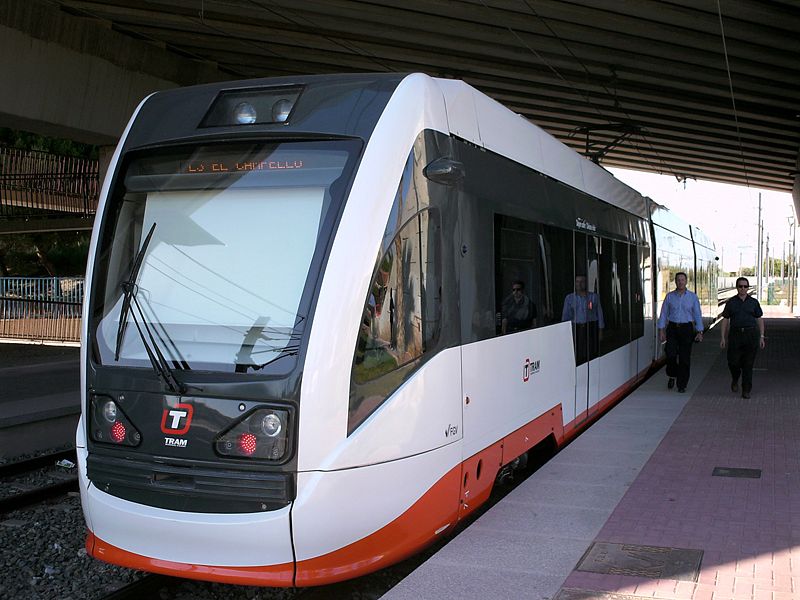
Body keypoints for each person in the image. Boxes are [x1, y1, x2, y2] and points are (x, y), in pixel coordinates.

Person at [657, 272, 704, 393]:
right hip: (672, 328)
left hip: (686, 329)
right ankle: (672, 374)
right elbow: (663, 314)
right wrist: (661, 330)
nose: (680, 282)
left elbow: (697, 314)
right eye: (678, 280)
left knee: (684, 358)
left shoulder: (692, 297)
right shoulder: (669, 297)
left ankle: (682, 384)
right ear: (675, 282)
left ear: (686, 281)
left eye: (682, 280)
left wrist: (700, 331)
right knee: (670, 354)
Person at [719, 277, 765, 399]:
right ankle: (735, 378)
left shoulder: (754, 302)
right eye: (740, 286)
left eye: (745, 286)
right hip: (735, 335)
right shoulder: (731, 302)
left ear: (748, 287)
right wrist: (723, 337)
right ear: (737, 287)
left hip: (750, 335)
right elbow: (725, 319)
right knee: (733, 362)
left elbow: (759, 319)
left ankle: (746, 390)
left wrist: (761, 336)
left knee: (748, 364)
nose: (743, 289)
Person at [562, 274, 605, 360]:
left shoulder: (594, 297)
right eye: (577, 281)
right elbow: (565, 317)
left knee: (592, 353)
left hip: (591, 328)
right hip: (576, 328)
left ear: (586, 283)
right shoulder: (569, 298)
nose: (579, 284)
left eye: (582, 281)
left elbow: (600, 314)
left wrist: (600, 332)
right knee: (578, 354)